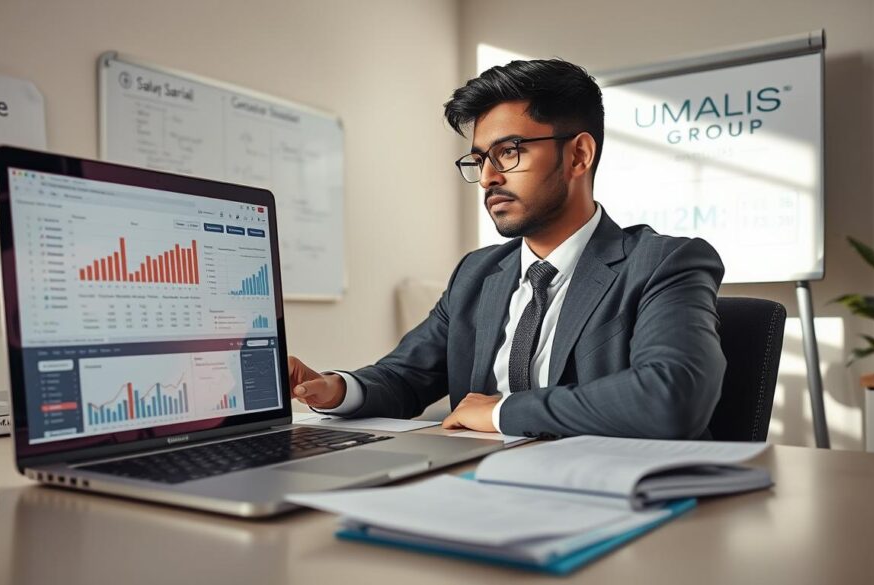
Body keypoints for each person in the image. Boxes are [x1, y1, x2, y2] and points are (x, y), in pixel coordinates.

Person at [288, 59, 726, 439]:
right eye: (480, 160)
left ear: (578, 156)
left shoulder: (664, 262)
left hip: (617, 494)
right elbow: (405, 376)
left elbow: (672, 396)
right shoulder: (478, 274)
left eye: (509, 152)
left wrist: (501, 413)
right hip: (484, 486)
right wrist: (336, 389)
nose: (488, 178)